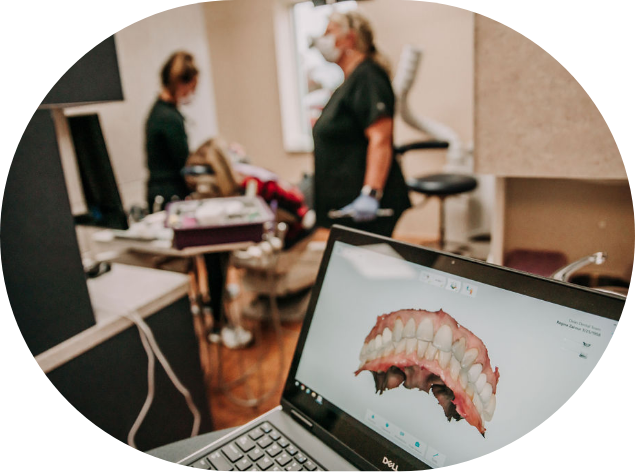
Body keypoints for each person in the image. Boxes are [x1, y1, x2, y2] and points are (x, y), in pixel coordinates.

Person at [145, 51, 251, 349]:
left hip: (164, 194)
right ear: (183, 82)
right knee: (215, 255)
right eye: (192, 87)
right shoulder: (168, 118)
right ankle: (218, 324)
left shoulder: (159, 112)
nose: (193, 93)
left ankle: (213, 308)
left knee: (210, 257)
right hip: (171, 198)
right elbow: (184, 164)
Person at [312, 10, 411, 237]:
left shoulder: (368, 76)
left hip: (366, 208)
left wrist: (370, 194)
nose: (323, 39)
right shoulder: (350, 81)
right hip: (346, 207)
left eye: (329, 32)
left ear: (350, 38)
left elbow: (381, 138)